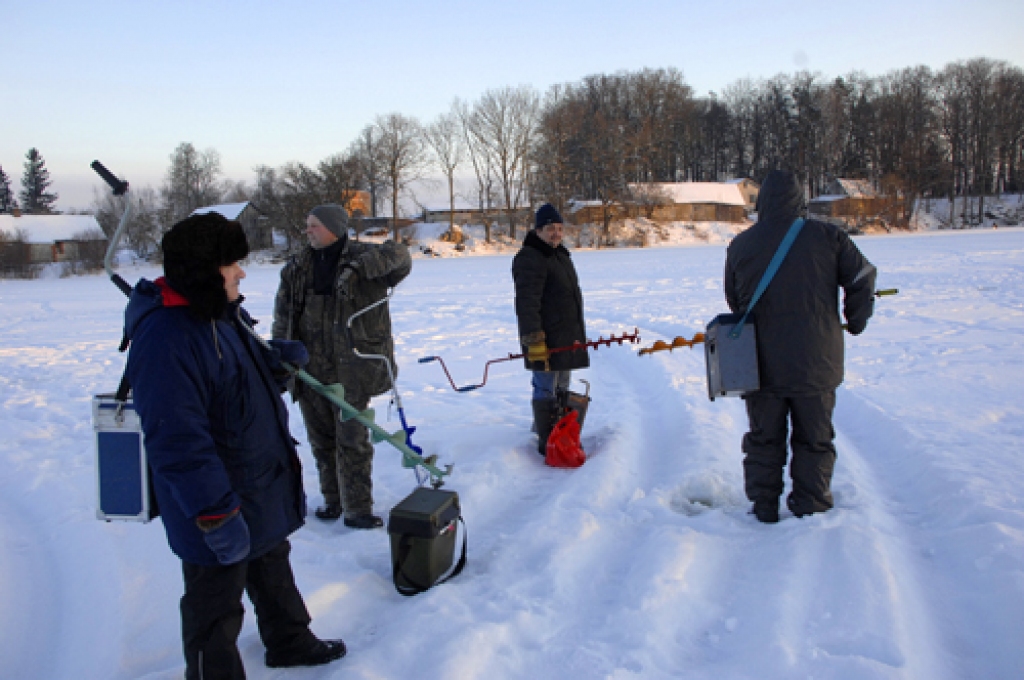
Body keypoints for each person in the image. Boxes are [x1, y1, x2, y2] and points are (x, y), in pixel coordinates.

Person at [124, 213, 346, 679]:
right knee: (215, 601)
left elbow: (233, 386)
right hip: (216, 498)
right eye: (232, 264)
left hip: (254, 480)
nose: (241, 273)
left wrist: (274, 368)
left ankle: (289, 641)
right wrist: (214, 512)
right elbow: (177, 441)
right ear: (205, 271)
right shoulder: (168, 338)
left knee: (271, 563)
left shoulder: (221, 316)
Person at [724, 169, 877, 523]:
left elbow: (735, 300)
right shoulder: (828, 237)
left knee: (764, 438)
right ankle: (811, 503)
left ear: (761, 202)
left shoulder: (741, 245)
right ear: (800, 199)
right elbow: (862, 277)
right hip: (816, 361)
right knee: (814, 439)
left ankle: (763, 505)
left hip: (760, 364)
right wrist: (855, 320)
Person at [273, 204, 411, 528]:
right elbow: (283, 317)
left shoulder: (362, 257)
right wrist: (281, 357)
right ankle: (333, 501)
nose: (307, 231)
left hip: (351, 368)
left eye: (314, 225)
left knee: (352, 441)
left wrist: (365, 267)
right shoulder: (297, 268)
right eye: (307, 225)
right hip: (308, 370)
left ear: (334, 227)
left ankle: (357, 509)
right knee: (321, 441)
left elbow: (401, 258)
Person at [512, 203, 590, 454]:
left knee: (562, 386)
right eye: (550, 228)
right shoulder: (530, 258)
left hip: (565, 335)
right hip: (545, 338)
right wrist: (534, 340)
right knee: (545, 387)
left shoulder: (560, 255)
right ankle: (547, 442)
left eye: (559, 228)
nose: (556, 233)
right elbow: (527, 303)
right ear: (538, 231)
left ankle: (561, 434)